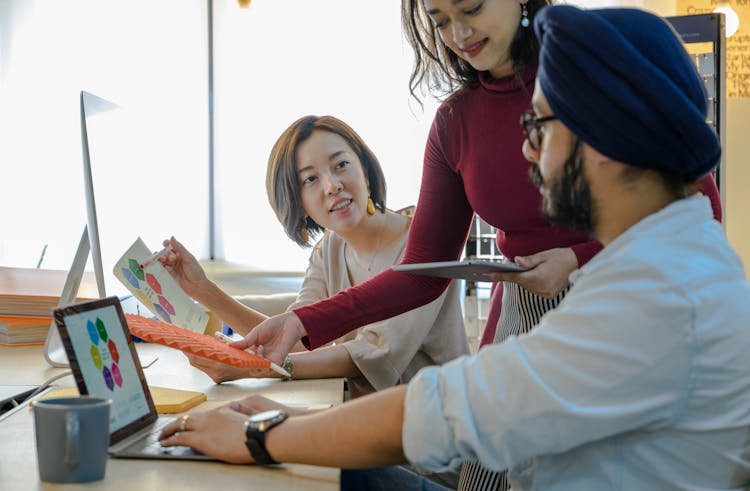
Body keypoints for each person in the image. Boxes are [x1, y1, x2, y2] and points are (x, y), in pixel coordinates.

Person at [159, 6, 750, 489]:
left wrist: (263, 435)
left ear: (609, 135)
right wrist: (291, 376)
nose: (524, 152)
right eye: (441, 19)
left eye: (537, 128)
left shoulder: (640, 300)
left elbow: (438, 412)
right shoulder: (677, 258)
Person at [159, 115, 468, 398]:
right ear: (299, 204)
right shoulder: (328, 251)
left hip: (434, 432)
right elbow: (294, 339)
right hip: (362, 421)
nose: (333, 185)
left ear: (366, 171)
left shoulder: (425, 245)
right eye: (310, 179)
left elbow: (374, 353)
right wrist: (202, 290)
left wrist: (257, 368)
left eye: (341, 165)